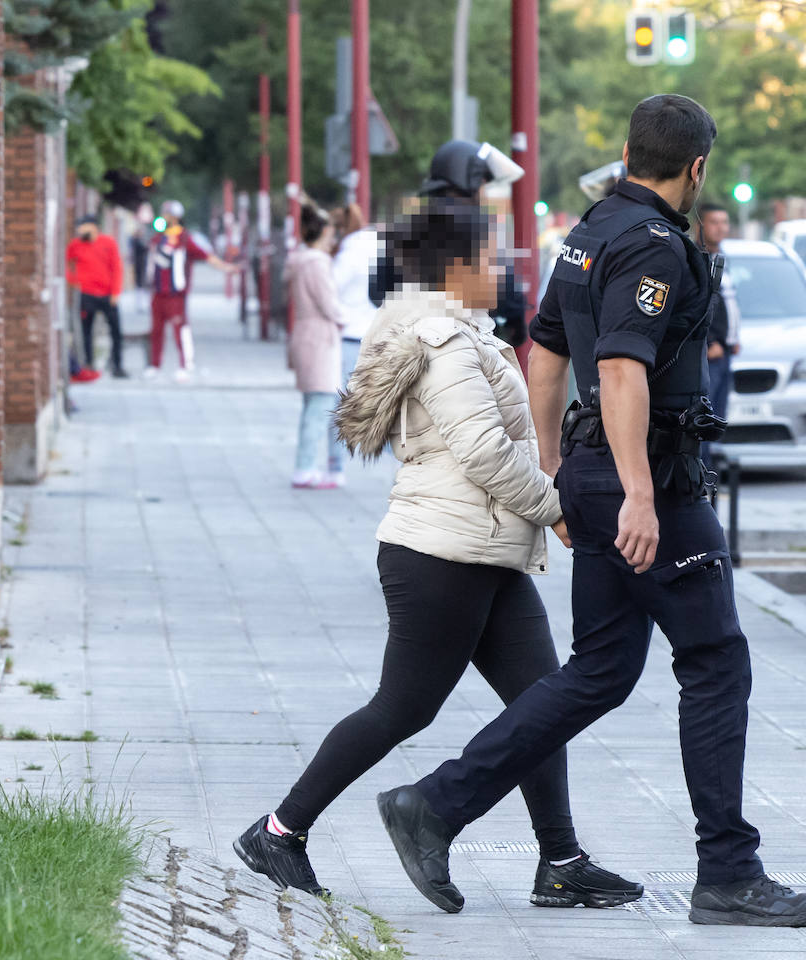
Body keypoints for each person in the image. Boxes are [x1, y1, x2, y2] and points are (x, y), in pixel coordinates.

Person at [375, 95, 806, 927]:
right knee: (716, 663)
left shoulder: (586, 233)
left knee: (600, 672)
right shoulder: (654, 246)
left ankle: (435, 806)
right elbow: (621, 368)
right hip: (646, 482)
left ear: (628, 152)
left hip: (593, 473)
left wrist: (557, 469)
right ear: (697, 168)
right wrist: (638, 494)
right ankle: (728, 872)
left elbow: (543, 353)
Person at [233, 199, 642, 910]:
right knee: (403, 707)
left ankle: (561, 859)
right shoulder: (443, 341)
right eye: (492, 258)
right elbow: (484, 453)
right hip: (442, 554)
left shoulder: (461, 333)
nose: (503, 269)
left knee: (539, 702)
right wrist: (557, 511)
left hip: (480, 549)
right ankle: (279, 830)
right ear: (457, 268)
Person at [372, 140, 529, 348]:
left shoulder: (406, 226)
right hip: (462, 343)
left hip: (406, 348)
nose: (484, 192)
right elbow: (506, 292)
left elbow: (376, 291)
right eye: (483, 184)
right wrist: (517, 325)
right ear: (469, 180)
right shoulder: (478, 227)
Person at [284, 202, 346, 489]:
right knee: (320, 405)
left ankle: (306, 465)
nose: (333, 237)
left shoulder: (299, 260)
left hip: (305, 332)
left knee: (313, 404)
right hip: (320, 336)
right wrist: (345, 318)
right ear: (322, 232)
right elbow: (328, 302)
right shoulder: (318, 263)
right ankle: (305, 467)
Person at [145, 199, 239, 382]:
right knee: (156, 330)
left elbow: (207, 256)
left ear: (176, 217)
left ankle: (185, 364)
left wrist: (226, 268)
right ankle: (155, 365)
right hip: (158, 292)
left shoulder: (185, 239)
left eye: (167, 214)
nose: (164, 217)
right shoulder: (158, 238)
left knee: (180, 329)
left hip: (176, 293)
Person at [695, 203, 740, 468]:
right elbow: (699, 306)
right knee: (705, 420)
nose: (721, 228)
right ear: (701, 226)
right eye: (715, 222)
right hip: (711, 354)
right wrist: (710, 342)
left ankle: (710, 476)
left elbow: (728, 304)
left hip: (725, 352)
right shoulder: (699, 259)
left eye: (725, 222)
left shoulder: (722, 258)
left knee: (717, 420)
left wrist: (733, 339)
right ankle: (702, 477)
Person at [66, 214, 127, 379]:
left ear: (92, 227)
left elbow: (117, 268)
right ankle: (89, 365)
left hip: (107, 295)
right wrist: (73, 280)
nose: (79, 230)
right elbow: (66, 264)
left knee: (116, 331)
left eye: (82, 226)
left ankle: (118, 366)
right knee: (86, 331)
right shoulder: (75, 245)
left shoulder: (108, 243)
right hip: (86, 295)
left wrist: (116, 292)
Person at [330, 202, 379, 395]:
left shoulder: (350, 255)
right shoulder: (377, 247)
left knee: (341, 400)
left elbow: (330, 288)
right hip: (375, 331)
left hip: (350, 332)